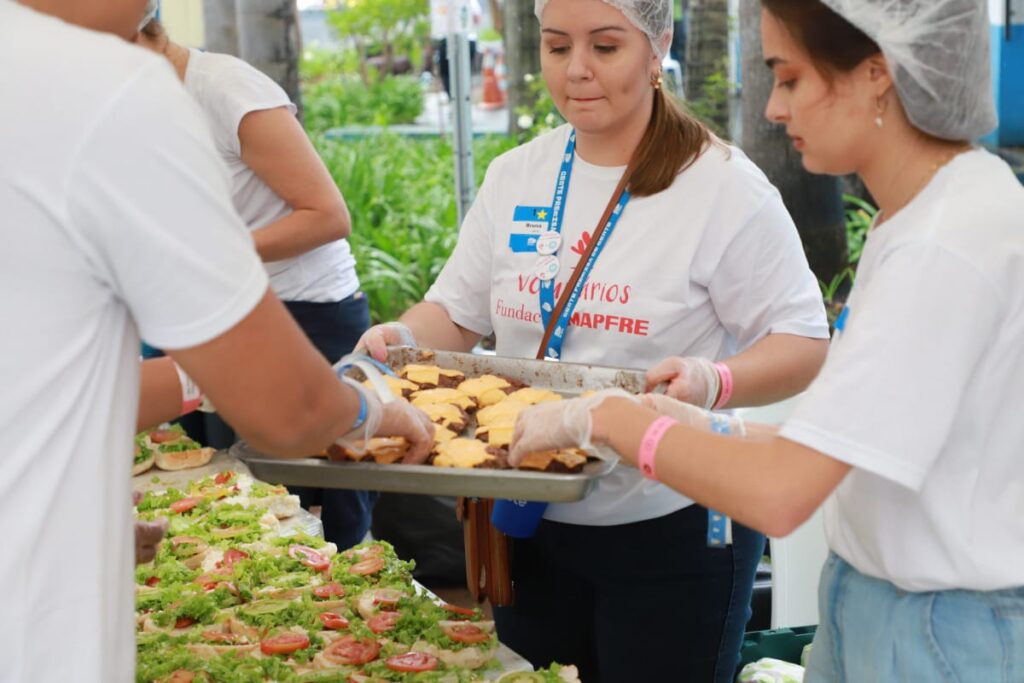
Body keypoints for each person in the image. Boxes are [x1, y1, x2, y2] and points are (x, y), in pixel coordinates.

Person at [510, 1, 1024, 681]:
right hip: (895, 604)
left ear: (877, 73)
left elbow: (782, 494)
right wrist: (702, 426)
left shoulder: (944, 246)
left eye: (789, 79)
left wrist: (609, 418)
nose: (776, 110)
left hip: (936, 628)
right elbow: (846, 444)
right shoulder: (932, 216)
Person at [358, 0, 830, 678]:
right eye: (556, 47)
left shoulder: (722, 188)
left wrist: (711, 380)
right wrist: (400, 336)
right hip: (531, 513)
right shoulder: (518, 175)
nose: (576, 70)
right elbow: (454, 314)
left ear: (657, 43)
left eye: (605, 47)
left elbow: (804, 343)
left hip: (675, 521)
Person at [0, 2, 433, 681]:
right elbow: (288, 409)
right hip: (37, 627)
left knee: (326, 514)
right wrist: (373, 411)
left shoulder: (193, 87)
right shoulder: (100, 86)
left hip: (289, 314)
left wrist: (92, 511)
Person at [135, 18, 378, 551]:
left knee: (322, 504)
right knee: (232, 495)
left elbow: (327, 215)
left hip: (304, 310)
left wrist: (213, 252)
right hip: (211, 310)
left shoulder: (226, 88)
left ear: (142, 30)